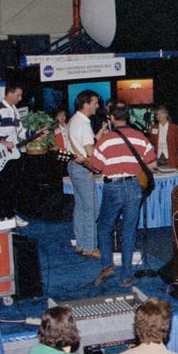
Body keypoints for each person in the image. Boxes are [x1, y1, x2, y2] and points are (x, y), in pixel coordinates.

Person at [92, 102, 156, 288]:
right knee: (129, 230)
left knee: (104, 227)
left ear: (111, 118)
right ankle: (126, 277)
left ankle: (107, 266)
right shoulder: (140, 137)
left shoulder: (105, 140)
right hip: (134, 186)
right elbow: (151, 164)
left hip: (113, 187)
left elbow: (96, 167)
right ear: (127, 116)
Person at [0, 82, 28, 225]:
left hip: (13, 154)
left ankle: (11, 215)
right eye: (18, 95)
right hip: (3, 154)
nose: (20, 98)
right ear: (9, 93)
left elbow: (21, 131)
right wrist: (3, 142)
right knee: (6, 187)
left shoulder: (13, 110)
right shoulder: (0, 109)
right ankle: (6, 216)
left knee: (13, 186)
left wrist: (37, 133)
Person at [67, 91, 102, 259]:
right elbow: (90, 152)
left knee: (81, 207)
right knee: (91, 208)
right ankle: (90, 247)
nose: (97, 106)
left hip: (74, 166)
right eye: (95, 103)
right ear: (86, 104)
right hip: (83, 169)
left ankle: (81, 244)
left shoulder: (73, 120)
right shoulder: (84, 124)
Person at [149, 105, 178, 171]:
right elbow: (151, 141)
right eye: (157, 114)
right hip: (158, 157)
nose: (159, 116)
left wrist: (171, 148)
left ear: (166, 114)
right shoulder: (153, 127)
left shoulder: (175, 128)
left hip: (171, 158)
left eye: (161, 113)